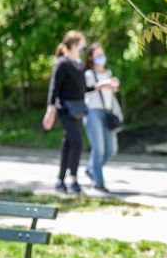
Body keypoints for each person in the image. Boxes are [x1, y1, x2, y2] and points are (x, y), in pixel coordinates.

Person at [42, 30, 89, 194]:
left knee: (69, 143)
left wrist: (101, 85)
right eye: (81, 45)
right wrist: (50, 109)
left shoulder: (78, 64)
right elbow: (54, 87)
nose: (83, 48)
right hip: (65, 110)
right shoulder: (62, 63)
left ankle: (61, 180)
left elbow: (82, 89)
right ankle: (73, 178)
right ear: (74, 45)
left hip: (78, 110)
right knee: (77, 141)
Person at [82, 42, 122, 193]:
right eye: (98, 55)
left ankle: (91, 169)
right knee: (98, 150)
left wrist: (113, 85)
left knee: (111, 149)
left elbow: (110, 94)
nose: (101, 57)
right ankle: (98, 183)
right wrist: (100, 85)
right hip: (93, 113)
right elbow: (84, 91)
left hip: (108, 112)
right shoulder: (88, 74)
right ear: (91, 57)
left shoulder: (108, 72)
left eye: (102, 54)